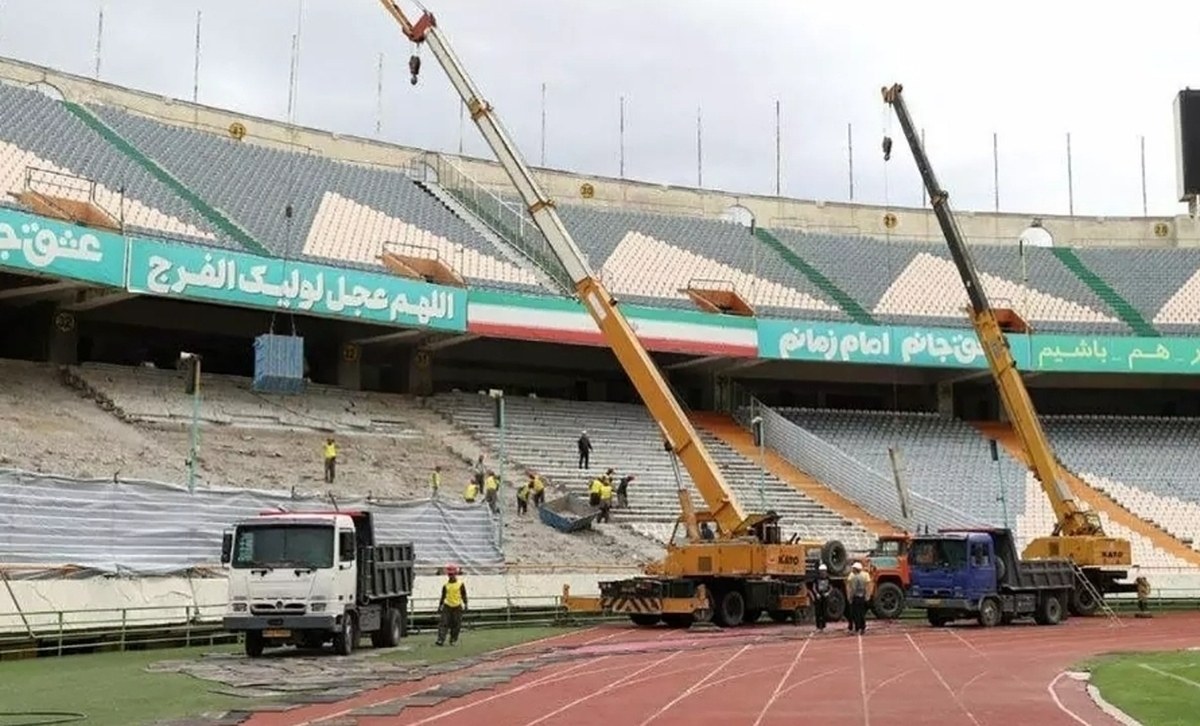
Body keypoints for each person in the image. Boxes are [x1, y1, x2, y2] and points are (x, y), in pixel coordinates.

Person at [436, 564, 468, 646]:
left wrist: (466, 604)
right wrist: (440, 606)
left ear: (455, 574)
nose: (450, 576)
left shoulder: (460, 584)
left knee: (456, 624)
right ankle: (440, 639)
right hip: (447, 606)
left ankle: (453, 639)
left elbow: (464, 594)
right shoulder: (446, 586)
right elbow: (443, 596)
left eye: (452, 574)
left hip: (457, 606)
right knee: (443, 623)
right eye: (449, 574)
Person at [845, 561, 872, 635]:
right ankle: (863, 627)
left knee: (856, 613)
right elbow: (868, 586)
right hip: (862, 596)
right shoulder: (865, 576)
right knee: (862, 613)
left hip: (856, 597)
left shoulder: (854, 577)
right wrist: (867, 595)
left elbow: (852, 588)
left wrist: (850, 597)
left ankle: (857, 628)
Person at [811, 563, 832, 631]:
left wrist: (828, 593)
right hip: (818, 596)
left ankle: (823, 626)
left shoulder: (828, 578)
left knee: (824, 611)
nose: (823, 572)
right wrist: (816, 594)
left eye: (824, 571)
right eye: (821, 571)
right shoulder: (816, 578)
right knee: (818, 611)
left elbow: (831, 587)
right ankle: (818, 626)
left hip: (825, 595)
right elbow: (814, 587)